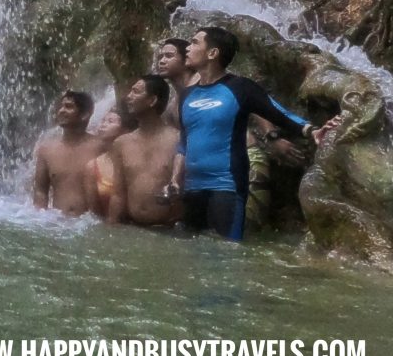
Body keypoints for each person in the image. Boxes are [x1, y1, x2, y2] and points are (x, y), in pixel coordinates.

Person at [166, 27, 335, 241]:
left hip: (226, 186)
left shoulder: (240, 88)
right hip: (193, 187)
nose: (188, 48)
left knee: (226, 255)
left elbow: (277, 111)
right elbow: (184, 141)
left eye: (194, 42)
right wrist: (175, 179)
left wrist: (311, 131)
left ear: (212, 53)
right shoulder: (187, 95)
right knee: (191, 253)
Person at [108, 75, 183, 226]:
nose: (128, 96)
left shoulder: (178, 139)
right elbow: (118, 194)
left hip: (171, 231)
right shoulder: (121, 143)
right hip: (134, 229)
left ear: (152, 100)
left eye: (135, 92)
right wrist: (111, 226)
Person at [33, 90, 101, 216]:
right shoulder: (46, 150)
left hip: (89, 224)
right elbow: (40, 191)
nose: (61, 111)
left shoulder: (100, 147)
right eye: (61, 107)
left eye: (69, 107)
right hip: (58, 224)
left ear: (85, 114)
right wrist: (39, 220)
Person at [83, 108, 131, 219]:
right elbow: (94, 216)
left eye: (110, 121)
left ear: (125, 130)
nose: (103, 125)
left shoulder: (134, 161)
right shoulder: (92, 166)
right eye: (103, 121)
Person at [156, 38, 198, 128]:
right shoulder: (172, 106)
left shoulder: (204, 85)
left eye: (169, 56)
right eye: (160, 57)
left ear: (186, 60)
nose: (161, 61)